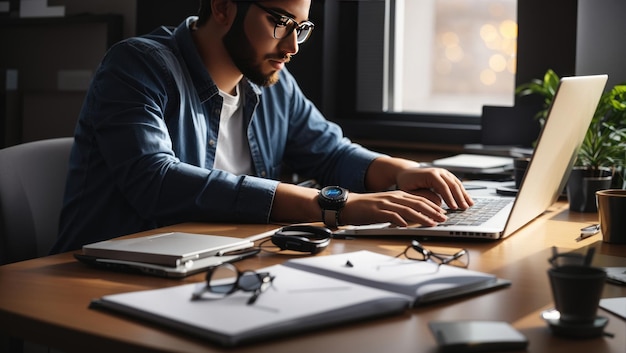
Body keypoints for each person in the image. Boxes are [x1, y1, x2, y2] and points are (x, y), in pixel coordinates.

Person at [50, 0, 473, 253]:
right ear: (222, 7)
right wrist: (331, 205)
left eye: (301, 28)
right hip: (110, 280)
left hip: (220, 268)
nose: (291, 47)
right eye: (279, 23)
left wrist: (400, 170)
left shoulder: (273, 83)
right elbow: (156, 182)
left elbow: (331, 152)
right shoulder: (136, 65)